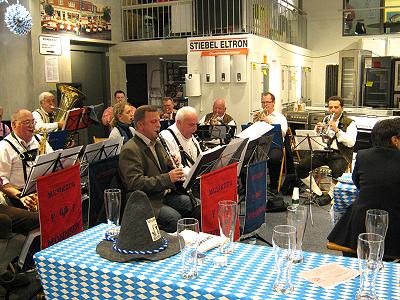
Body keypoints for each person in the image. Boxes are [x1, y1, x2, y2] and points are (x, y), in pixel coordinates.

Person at [119, 105, 199, 233]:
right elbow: (135, 183)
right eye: (153, 122)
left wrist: (171, 165)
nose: (159, 125)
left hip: (165, 194)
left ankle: (195, 242)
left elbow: (161, 169)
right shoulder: (130, 150)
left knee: (197, 205)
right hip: (148, 200)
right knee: (174, 219)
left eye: (158, 121)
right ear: (140, 126)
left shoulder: (156, 142)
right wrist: (168, 177)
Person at [328, 118, 400, 258]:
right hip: (395, 232)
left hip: (361, 228)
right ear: (395, 140)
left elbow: (357, 183)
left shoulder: (363, 155)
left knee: (352, 208)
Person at [296, 96, 357, 204]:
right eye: (330, 107)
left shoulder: (350, 123)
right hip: (323, 151)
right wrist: (318, 130)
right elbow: (319, 138)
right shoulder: (326, 119)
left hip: (340, 153)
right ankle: (317, 193)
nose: (333, 110)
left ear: (342, 108)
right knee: (301, 166)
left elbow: (351, 142)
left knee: (338, 171)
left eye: (336, 107)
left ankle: (330, 196)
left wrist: (337, 130)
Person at [0, 109, 53, 210]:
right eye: (27, 122)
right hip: (18, 196)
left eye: (33, 121)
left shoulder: (40, 139)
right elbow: (2, 181)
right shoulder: (4, 147)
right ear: (14, 125)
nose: (32, 125)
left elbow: (53, 161)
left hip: (42, 190)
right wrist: (21, 196)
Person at [256, 92, 288, 192]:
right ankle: (251, 186)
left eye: (268, 102)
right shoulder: (259, 116)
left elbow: (282, 133)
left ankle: (274, 184)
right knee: (248, 156)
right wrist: (254, 123)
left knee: (273, 158)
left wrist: (269, 121)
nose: (265, 105)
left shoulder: (280, 117)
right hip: (261, 145)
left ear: (273, 103)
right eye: (263, 102)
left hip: (275, 146)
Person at [159, 106, 201, 176]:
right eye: (191, 125)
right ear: (178, 122)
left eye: (196, 124)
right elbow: (176, 168)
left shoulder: (192, 136)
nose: (195, 129)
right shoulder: (167, 137)